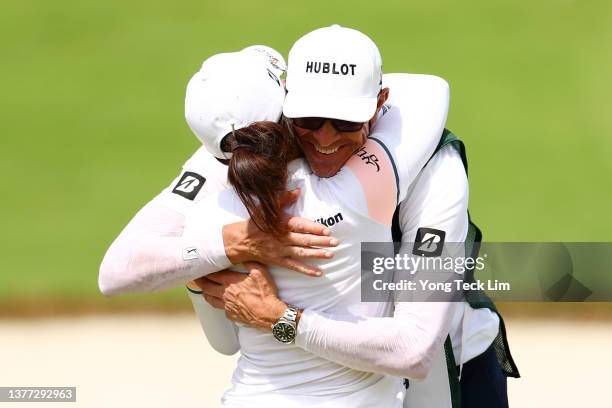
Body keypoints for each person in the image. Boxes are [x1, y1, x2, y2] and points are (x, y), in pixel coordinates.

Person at [99, 25, 517, 407]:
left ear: (379, 105)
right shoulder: (237, 148)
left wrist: (274, 314)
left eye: (345, 120)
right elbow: (117, 271)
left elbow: (415, 347)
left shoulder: (435, 166)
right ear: (284, 106)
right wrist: (240, 241)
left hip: (450, 365)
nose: (325, 137)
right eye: (309, 119)